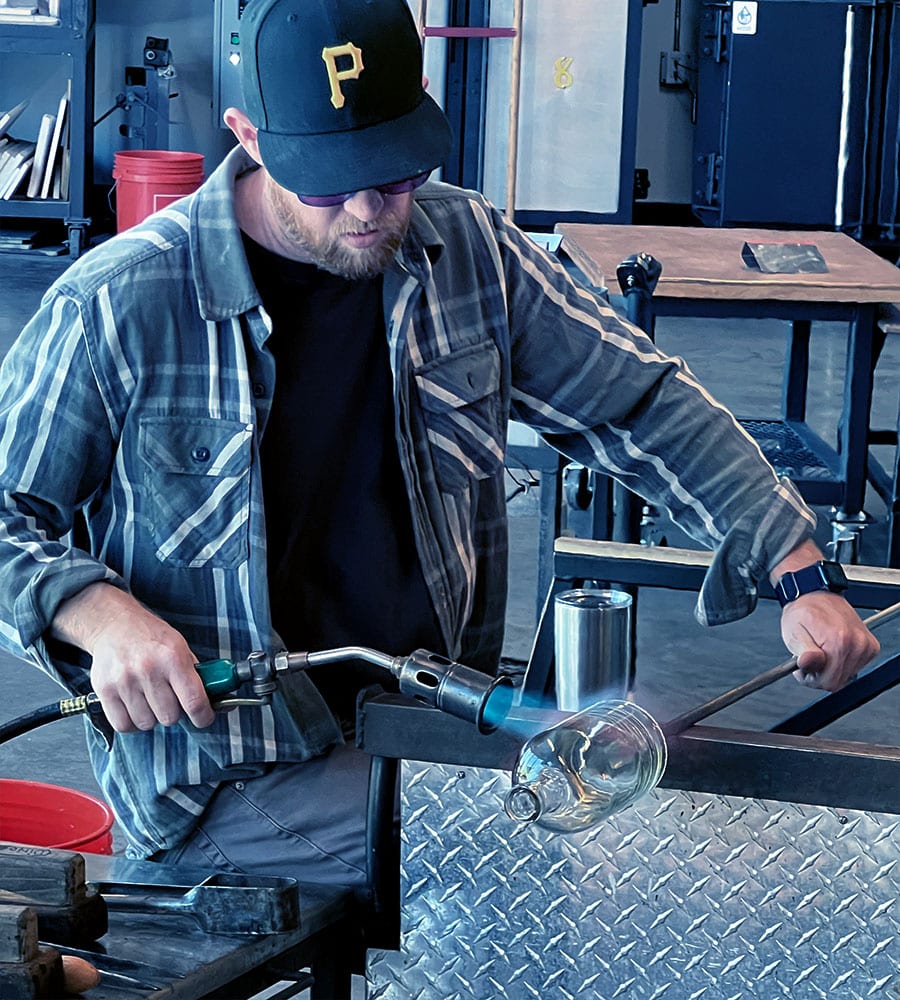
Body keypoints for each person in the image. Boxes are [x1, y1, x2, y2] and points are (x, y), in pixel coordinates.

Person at [0, 0, 877, 893]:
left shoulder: (469, 249)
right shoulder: (121, 302)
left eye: (394, 172)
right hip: (234, 772)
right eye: (330, 181)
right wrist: (99, 614)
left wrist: (795, 566)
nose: (368, 210)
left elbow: (640, 400)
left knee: (608, 809)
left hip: (429, 717)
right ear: (250, 136)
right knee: (545, 863)